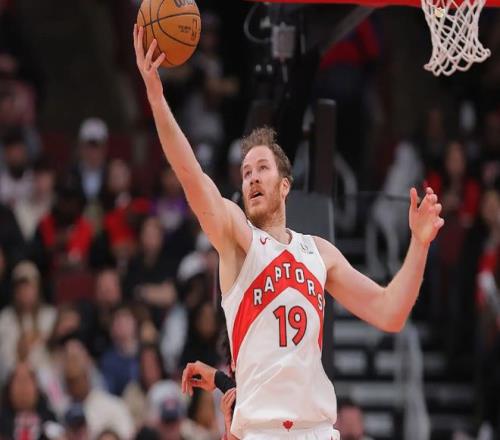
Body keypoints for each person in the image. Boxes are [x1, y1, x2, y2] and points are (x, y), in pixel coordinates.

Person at [134, 26, 444, 440]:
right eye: (246, 172)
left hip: (318, 430)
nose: (252, 178)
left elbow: (391, 312)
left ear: (284, 186)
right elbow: (192, 176)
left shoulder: (319, 252)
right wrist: (157, 98)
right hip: (262, 432)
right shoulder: (238, 238)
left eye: (262, 168)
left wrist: (419, 244)